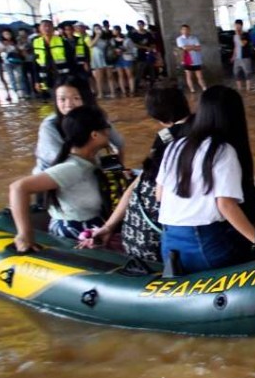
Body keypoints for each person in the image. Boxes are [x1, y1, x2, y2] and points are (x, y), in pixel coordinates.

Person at [157, 85, 255, 272]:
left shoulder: (175, 146)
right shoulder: (223, 150)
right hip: (205, 246)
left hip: (170, 247)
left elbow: (159, 196)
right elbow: (226, 205)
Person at [79, 87, 193, 261]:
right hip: (165, 244)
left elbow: (137, 185)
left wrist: (109, 226)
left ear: (158, 117)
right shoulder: (201, 132)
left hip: (137, 240)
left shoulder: (164, 138)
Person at [9, 105, 117, 249]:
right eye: (106, 127)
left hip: (94, 222)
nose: (109, 131)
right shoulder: (73, 168)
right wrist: (25, 235)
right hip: (75, 230)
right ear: (95, 135)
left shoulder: (91, 159)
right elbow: (18, 187)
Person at [35, 77, 125, 173]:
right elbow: (62, 164)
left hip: (86, 172)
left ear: (86, 99)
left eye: (76, 98)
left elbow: (119, 143)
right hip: (53, 176)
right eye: (62, 99)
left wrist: (121, 170)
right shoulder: (49, 126)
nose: (69, 104)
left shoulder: (97, 117)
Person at [31, 19, 70, 96]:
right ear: (40, 28)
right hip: (44, 76)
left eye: (49, 26)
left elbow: (70, 60)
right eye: (44, 26)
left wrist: (71, 76)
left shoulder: (62, 41)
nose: (47, 28)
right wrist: (36, 81)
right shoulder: (36, 42)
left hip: (62, 75)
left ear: (53, 28)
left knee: (62, 96)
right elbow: (35, 64)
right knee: (47, 101)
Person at [176, 24, 208, 93]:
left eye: (187, 29)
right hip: (187, 59)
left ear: (189, 30)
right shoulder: (179, 39)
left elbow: (199, 48)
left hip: (196, 59)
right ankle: (192, 89)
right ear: (181, 31)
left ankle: (204, 87)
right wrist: (193, 47)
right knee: (189, 76)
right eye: (184, 29)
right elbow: (184, 48)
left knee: (199, 75)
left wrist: (189, 47)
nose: (185, 31)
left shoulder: (194, 38)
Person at [231, 19, 253, 91]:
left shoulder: (246, 34)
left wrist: (238, 35)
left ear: (241, 26)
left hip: (245, 57)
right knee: (236, 73)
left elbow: (242, 44)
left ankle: (248, 89)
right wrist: (233, 56)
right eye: (235, 25)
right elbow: (236, 46)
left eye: (238, 25)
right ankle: (239, 89)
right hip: (237, 58)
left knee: (247, 73)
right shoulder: (235, 36)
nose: (236, 27)